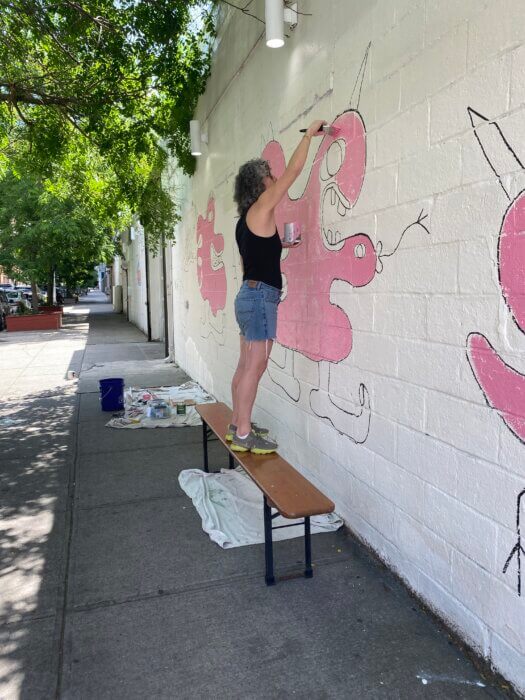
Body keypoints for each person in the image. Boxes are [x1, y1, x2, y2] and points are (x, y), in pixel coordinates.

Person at [227, 119, 326, 454]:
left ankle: (236, 424)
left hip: (247, 294)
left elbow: (251, 261)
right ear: (261, 183)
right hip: (260, 297)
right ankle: (243, 433)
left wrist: (280, 246)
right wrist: (309, 136)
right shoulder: (264, 204)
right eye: (269, 175)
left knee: (245, 365)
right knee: (257, 365)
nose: (274, 178)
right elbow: (294, 173)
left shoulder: (245, 222)